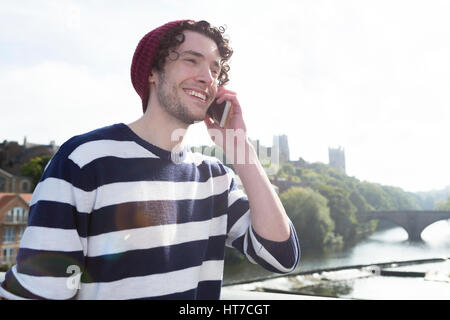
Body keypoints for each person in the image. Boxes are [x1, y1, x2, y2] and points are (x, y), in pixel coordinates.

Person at [0, 20, 300, 300]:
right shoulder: (84, 161)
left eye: (215, 69)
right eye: (191, 60)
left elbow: (281, 255)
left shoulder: (215, 178)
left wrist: (239, 147)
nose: (208, 77)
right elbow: (38, 292)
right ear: (152, 73)